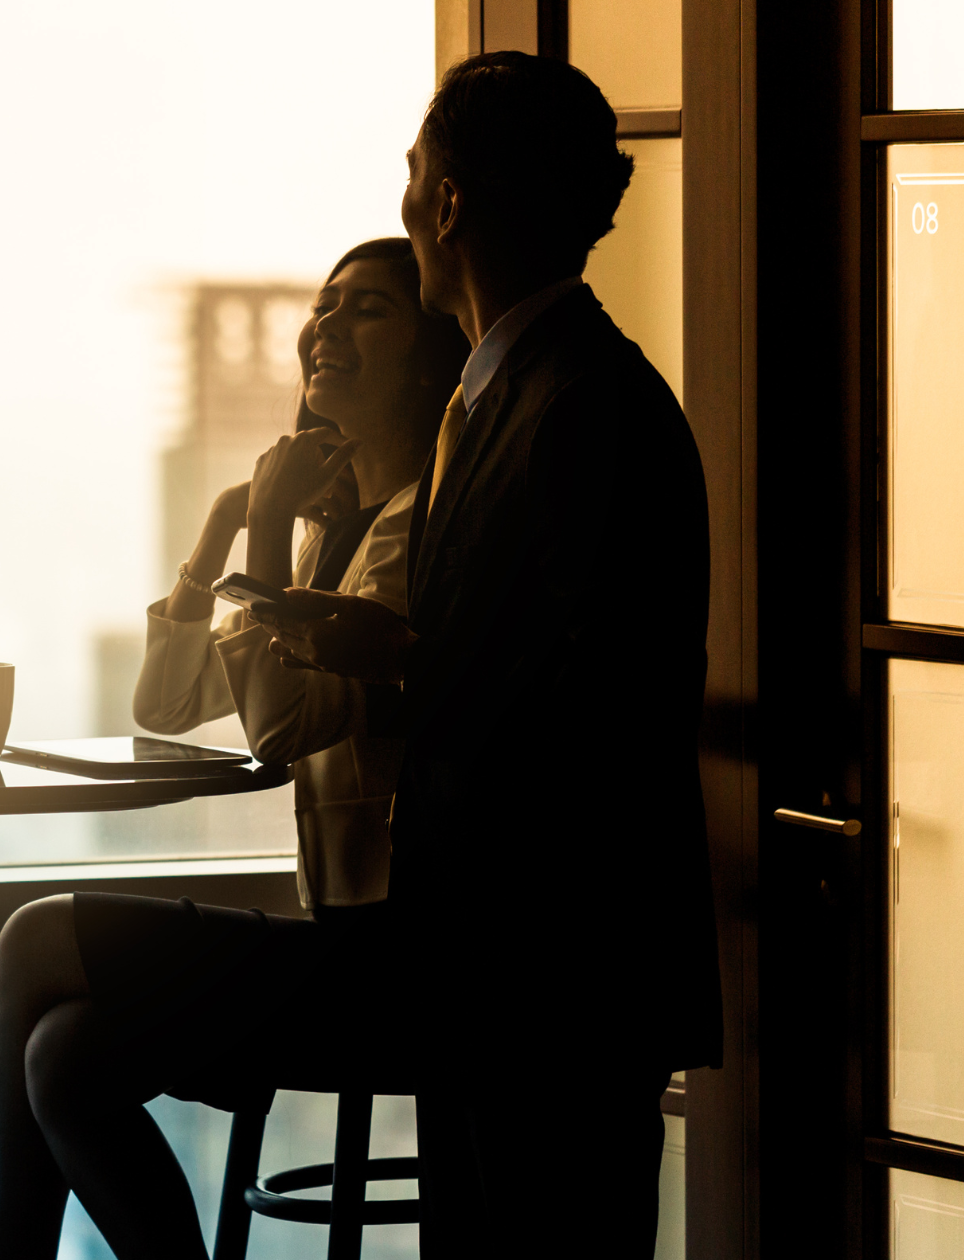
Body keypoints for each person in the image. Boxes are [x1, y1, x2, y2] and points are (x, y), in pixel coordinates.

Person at [258, 51, 720, 1255]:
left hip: (554, 960)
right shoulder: (514, 394)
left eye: (414, 174)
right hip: (506, 958)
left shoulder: (574, 404)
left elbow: (555, 695)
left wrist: (393, 658)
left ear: (449, 202)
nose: (405, 202)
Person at [0, 239, 466, 1260]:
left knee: (30, 938)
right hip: (343, 944)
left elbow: (288, 726)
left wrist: (263, 528)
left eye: (366, 309)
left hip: (398, 961)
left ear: (428, 356)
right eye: (323, 305)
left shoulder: (415, 532)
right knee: (64, 1057)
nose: (324, 327)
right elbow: (161, 704)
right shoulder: (335, 532)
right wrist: (217, 535)